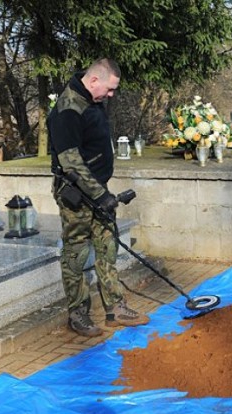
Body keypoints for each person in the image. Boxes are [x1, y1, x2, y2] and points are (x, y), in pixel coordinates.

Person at [47, 58, 149, 337]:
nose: (112, 95)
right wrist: (101, 195)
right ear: (94, 81)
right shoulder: (67, 110)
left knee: (107, 248)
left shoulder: (93, 102)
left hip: (98, 191)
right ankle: (78, 314)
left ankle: (115, 308)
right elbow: (71, 162)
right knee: (76, 254)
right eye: (111, 89)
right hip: (76, 195)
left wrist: (103, 193)